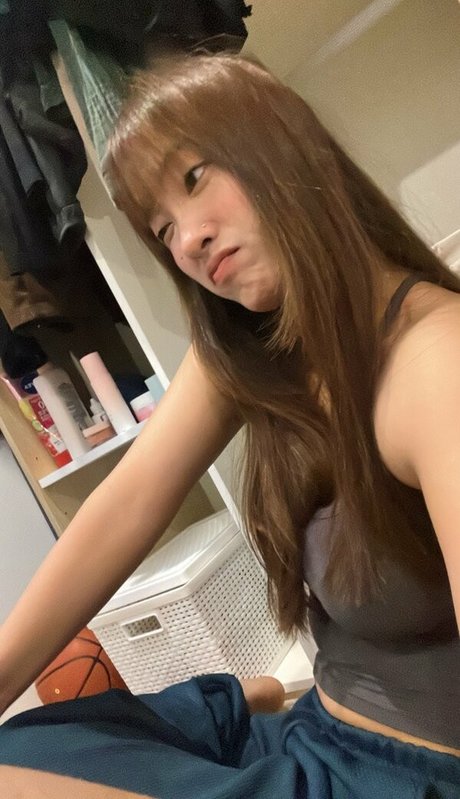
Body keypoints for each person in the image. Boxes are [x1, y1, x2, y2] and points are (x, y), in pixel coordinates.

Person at [0, 51, 459, 797]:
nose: (187, 241)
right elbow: (126, 505)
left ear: (285, 145)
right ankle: (241, 708)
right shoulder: (257, 347)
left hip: (392, 775)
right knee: (25, 742)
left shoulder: (436, 360)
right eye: (163, 229)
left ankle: (226, 717)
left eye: (193, 178)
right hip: (315, 727)